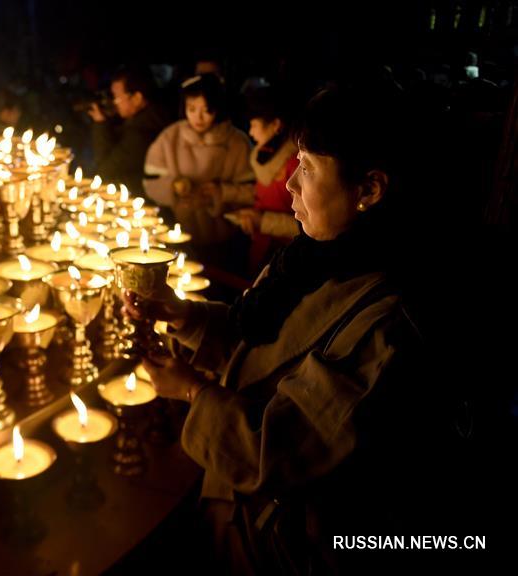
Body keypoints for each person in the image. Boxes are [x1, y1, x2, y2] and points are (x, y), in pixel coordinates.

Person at [123, 81, 448, 573]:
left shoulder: (387, 321)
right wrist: (183, 315)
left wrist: (192, 391)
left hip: (280, 544)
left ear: (370, 189)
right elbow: (259, 344)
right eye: (296, 162)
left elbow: (278, 453)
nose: (291, 184)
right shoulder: (314, 255)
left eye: (310, 168)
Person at [143, 74, 254, 254]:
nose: (198, 117)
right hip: (175, 232)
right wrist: (173, 186)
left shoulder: (237, 142)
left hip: (224, 238)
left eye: (206, 110)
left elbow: (254, 191)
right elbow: (150, 181)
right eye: (191, 109)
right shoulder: (170, 137)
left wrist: (220, 192)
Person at [226, 85, 300, 277]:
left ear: (275, 125)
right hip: (262, 247)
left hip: (287, 257)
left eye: (254, 125)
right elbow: (260, 194)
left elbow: (305, 225)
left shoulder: (295, 164)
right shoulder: (266, 157)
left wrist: (262, 221)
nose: (250, 133)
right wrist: (220, 193)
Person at [89, 66, 167, 192]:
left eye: (117, 97)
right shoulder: (149, 120)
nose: (114, 102)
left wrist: (101, 124)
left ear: (137, 98)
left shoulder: (142, 133)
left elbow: (105, 171)